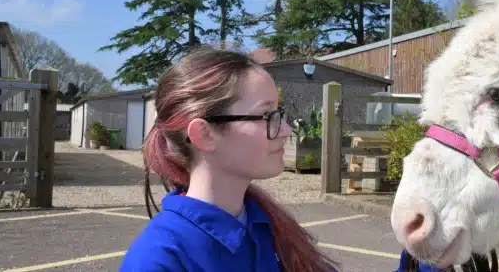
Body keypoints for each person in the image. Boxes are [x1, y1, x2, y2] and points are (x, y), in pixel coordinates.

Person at [119, 47, 337, 272]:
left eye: (279, 113)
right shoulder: (159, 260)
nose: (286, 129)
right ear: (204, 135)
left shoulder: (265, 223)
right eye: (267, 116)